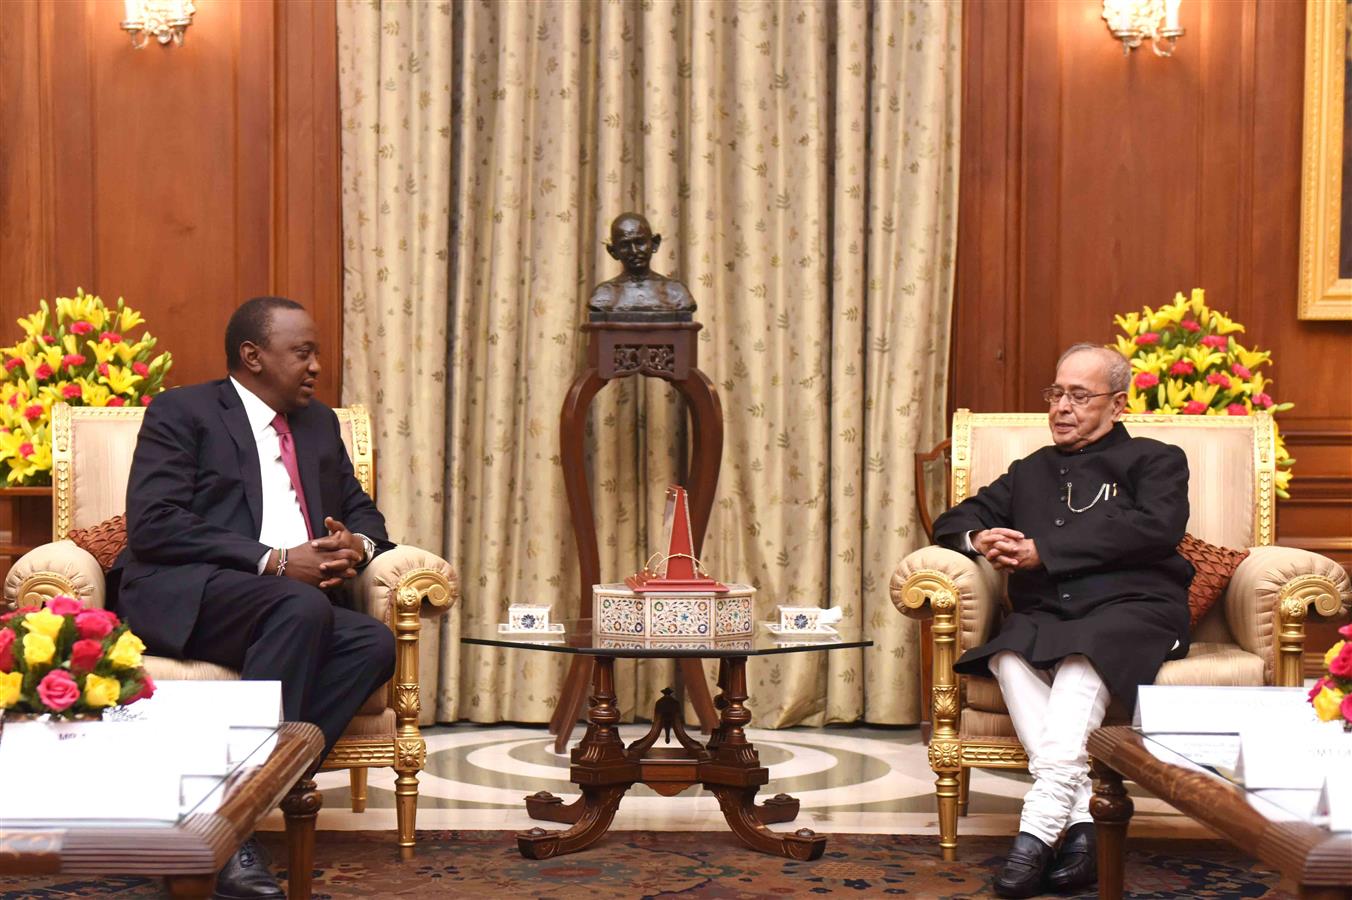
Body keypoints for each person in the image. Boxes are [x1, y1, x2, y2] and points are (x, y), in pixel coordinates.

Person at [111, 296, 396, 900]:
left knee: (372, 640)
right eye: (303, 352)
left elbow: (366, 513)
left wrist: (356, 547)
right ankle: (234, 834)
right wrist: (273, 560)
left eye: (316, 352)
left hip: (291, 605)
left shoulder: (318, 424)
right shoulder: (183, 412)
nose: (317, 365)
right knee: (301, 605)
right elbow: (154, 523)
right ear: (253, 356)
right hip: (195, 588)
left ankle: (231, 800)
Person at [931, 343, 1192, 898]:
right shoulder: (1030, 471)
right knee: (1005, 651)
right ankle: (1084, 827)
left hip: (1136, 608)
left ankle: (1037, 829)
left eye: (1079, 395)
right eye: (1056, 393)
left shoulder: (1157, 458)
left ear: (1117, 405)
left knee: (1082, 655)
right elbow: (954, 517)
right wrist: (980, 537)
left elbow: (1156, 528)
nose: (1061, 407)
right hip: (1051, 612)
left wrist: (1043, 550)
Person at [587, 212, 697, 321]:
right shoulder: (604, 295)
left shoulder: (676, 293)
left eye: (640, 242)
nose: (634, 251)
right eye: (625, 245)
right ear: (613, 251)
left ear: (654, 243)